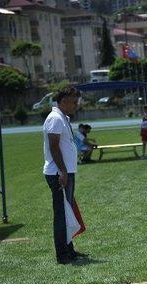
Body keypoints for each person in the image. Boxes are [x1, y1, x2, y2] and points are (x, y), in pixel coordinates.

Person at [43, 85, 88, 264]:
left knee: (68, 213)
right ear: (63, 101)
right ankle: (62, 255)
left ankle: (69, 250)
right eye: (73, 101)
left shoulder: (62, 118)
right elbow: (54, 146)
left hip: (65, 172)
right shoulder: (55, 118)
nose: (76, 105)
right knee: (61, 214)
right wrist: (62, 171)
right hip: (58, 173)